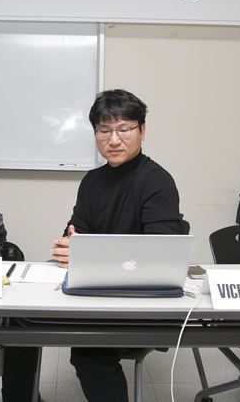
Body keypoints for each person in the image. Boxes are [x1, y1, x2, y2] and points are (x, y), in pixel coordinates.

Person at [48, 88, 189, 402]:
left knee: (88, 353)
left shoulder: (156, 180)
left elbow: (161, 253)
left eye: (124, 129)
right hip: (96, 294)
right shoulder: (92, 181)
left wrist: (89, 254)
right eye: (104, 130)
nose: (113, 140)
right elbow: (77, 232)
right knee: (18, 322)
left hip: (143, 302)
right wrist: (69, 246)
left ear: (142, 130)